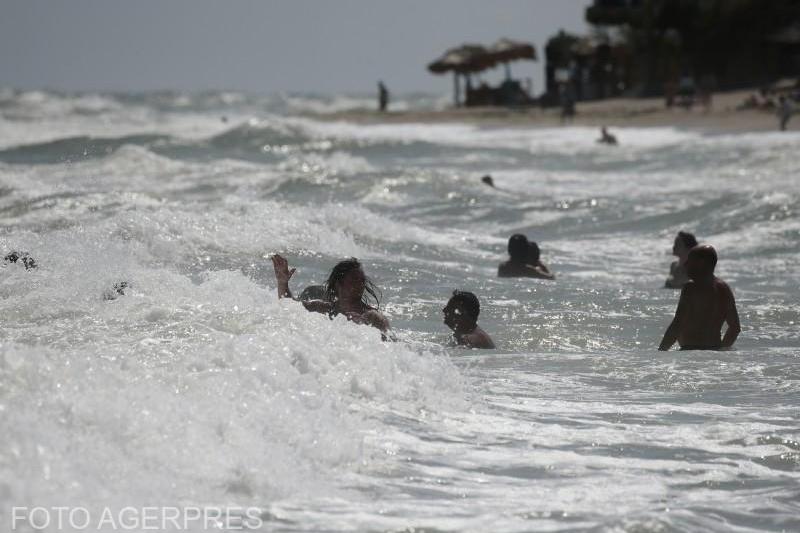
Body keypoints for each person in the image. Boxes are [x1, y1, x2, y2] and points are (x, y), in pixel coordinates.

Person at [271, 255, 390, 334]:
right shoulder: (324, 308)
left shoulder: (371, 316)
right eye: (354, 279)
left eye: (362, 280)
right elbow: (289, 307)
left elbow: (390, 342)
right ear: (339, 284)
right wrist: (283, 283)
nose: (360, 284)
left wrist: (362, 324)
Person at [659, 245, 741, 351]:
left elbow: (677, 324)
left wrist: (661, 352)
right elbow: (735, 328)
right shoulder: (724, 289)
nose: (685, 264)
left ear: (701, 263)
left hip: (690, 353)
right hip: (713, 353)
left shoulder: (691, 287)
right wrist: (721, 350)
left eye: (690, 260)